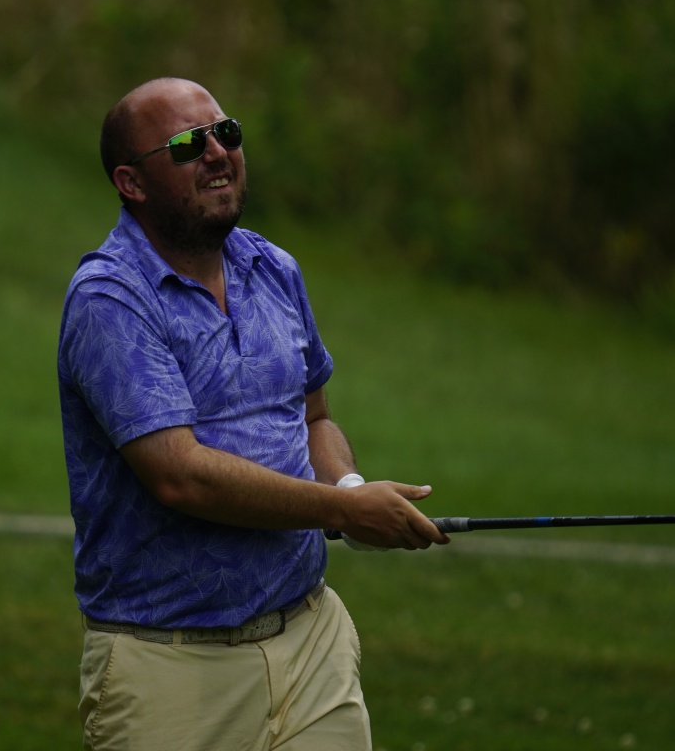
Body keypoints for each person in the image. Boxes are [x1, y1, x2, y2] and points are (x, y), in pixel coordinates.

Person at [57, 77, 449, 751]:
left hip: (311, 643)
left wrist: (348, 486)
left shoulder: (273, 268)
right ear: (131, 182)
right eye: (188, 144)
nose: (217, 153)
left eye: (226, 133)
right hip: (169, 668)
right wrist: (343, 510)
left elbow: (314, 418)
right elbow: (180, 476)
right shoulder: (109, 299)